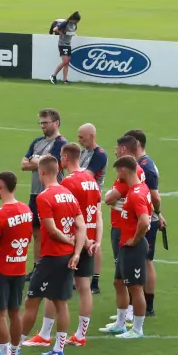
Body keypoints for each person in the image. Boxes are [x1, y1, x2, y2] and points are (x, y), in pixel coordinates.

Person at [18, 155, 85, 355]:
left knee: (32, 301)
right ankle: (59, 349)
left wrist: (69, 242)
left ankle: (14, 347)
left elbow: (52, 230)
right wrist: (76, 252)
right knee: (60, 302)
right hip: (66, 257)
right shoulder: (69, 194)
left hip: (50, 256)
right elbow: (81, 226)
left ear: (42, 172)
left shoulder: (43, 197)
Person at [0, 172, 33, 355]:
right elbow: (28, 237)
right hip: (19, 268)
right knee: (15, 312)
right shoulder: (26, 210)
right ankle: (14, 353)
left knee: (0, 314)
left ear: (1, 186)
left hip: (1, 269)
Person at [55, 143, 102, 346]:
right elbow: (98, 213)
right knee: (84, 287)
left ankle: (49, 335)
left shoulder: (68, 182)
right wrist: (96, 241)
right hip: (90, 241)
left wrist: (79, 241)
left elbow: (69, 217)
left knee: (56, 289)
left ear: (65, 158)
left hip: (75, 242)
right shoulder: (91, 180)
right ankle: (81, 335)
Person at [99, 157, 152, 339]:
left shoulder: (136, 193)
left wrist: (135, 240)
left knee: (135, 287)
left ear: (123, 170)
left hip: (133, 246)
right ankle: (120, 324)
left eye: (118, 172)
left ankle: (137, 329)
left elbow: (144, 221)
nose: (117, 176)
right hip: (125, 244)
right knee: (119, 282)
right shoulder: (136, 189)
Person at [21, 108, 67, 274]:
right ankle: (37, 268)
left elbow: (51, 165)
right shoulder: (37, 142)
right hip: (35, 194)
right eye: (41, 123)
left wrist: (35, 160)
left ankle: (58, 267)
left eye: (46, 123)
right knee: (36, 234)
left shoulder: (61, 143)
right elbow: (23, 164)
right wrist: (39, 161)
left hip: (53, 195)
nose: (43, 126)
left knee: (54, 233)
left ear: (56, 123)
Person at [124, 129, 162, 316]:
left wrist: (157, 214)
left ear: (136, 144)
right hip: (145, 217)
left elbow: (154, 196)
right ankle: (138, 304)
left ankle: (148, 305)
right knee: (143, 260)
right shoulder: (143, 163)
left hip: (145, 220)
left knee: (145, 261)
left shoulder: (145, 166)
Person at [77, 123, 107, 293]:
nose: (79, 140)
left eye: (82, 137)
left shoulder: (99, 154)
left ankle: (95, 281)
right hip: (81, 198)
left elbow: (86, 175)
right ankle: (80, 275)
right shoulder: (83, 152)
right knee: (80, 235)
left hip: (93, 200)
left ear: (91, 136)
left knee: (94, 238)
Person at [49, 11, 81, 84]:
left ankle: (65, 79)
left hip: (68, 44)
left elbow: (73, 32)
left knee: (67, 63)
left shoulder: (74, 25)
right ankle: (53, 76)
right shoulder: (65, 23)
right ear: (73, 19)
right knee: (65, 61)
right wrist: (62, 33)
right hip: (62, 44)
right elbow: (55, 29)